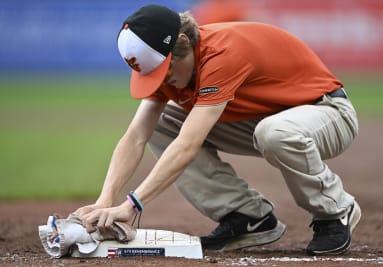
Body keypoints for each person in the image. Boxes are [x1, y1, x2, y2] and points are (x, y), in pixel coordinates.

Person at [76, 4, 361, 255]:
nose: (165, 81)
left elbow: (188, 145)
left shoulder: (222, 54)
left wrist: (131, 206)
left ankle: (334, 211)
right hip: (263, 121)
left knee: (273, 133)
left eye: (166, 72)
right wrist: (105, 200)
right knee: (165, 122)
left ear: (184, 42)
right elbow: (136, 136)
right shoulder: (171, 58)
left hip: (328, 114)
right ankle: (246, 216)